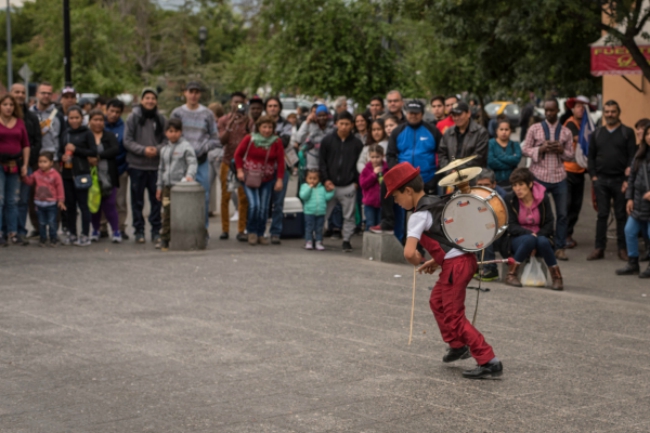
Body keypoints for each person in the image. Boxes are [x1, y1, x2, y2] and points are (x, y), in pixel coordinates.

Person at [385, 162, 502, 379]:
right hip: (462, 260)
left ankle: (488, 359)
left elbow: (409, 253)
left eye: (395, 196)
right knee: (437, 301)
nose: (396, 201)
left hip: (455, 267)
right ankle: (457, 345)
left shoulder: (418, 216)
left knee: (455, 316)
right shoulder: (437, 202)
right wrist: (435, 261)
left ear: (408, 191)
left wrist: (416, 258)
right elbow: (447, 239)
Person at [372, 101, 442, 240]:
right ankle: (387, 222)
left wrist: (436, 177)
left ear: (422, 114)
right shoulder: (398, 131)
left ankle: (423, 248)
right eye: (410, 113)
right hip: (404, 179)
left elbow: (442, 153)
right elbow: (391, 155)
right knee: (385, 184)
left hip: (427, 178)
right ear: (406, 113)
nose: (413, 116)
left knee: (423, 218)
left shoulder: (432, 130)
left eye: (416, 113)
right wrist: (397, 173)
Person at [521, 98, 573, 261]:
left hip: (559, 176)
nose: (549, 113)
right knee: (540, 213)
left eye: (552, 110)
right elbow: (524, 149)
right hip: (539, 175)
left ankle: (560, 247)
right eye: (546, 110)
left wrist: (560, 150)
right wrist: (541, 149)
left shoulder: (565, 132)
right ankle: (541, 244)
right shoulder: (535, 129)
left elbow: (571, 155)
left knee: (563, 213)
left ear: (558, 111)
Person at [587, 100, 637, 261]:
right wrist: (594, 176)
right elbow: (591, 157)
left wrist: (627, 180)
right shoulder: (597, 134)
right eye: (607, 111)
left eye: (613, 112)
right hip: (601, 180)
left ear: (618, 113)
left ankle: (622, 249)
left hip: (620, 182)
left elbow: (632, 157)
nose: (609, 114)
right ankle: (599, 248)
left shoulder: (627, 133)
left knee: (621, 215)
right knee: (602, 215)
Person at [170, 82, 220, 234]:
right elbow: (171, 135)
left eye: (197, 92)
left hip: (201, 161)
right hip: (181, 161)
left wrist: (202, 148)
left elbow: (215, 138)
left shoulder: (207, 114)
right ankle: (181, 229)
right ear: (185, 93)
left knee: (203, 196)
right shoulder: (177, 113)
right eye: (190, 92)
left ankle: (202, 229)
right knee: (179, 195)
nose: (193, 95)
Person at [505, 167, 563, 290]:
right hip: (518, 238)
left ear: (530, 184)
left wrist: (537, 236)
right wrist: (531, 235)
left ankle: (557, 277)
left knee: (541, 241)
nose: (517, 189)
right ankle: (511, 274)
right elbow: (511, 226)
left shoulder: (543, 198)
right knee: (529, 240)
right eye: (514, 185)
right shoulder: (510, 199)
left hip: (541, 237)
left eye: (521, 184)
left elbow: (549, 223)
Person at [124, 87, 166, 246]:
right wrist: (142, 150)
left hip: (156, 167)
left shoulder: (161, 119)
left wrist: (158, 150)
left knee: (156, 201)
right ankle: (139, 230)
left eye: (153, 98)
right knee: (137, 201)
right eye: (147, 98)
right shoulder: (133, 117)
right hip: (137, 166)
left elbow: (167, 140)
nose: (150, 101)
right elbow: (127, 140)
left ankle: (156, 230)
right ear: (142, 100)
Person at [234, 115, 285, 245]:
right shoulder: (249, 139)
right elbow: (238, 154)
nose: (267, 130)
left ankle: (261, 233)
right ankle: (251, 231)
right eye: (264, 127)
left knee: (263, 208)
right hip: (249, 178)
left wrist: (279, 179)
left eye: (270, 127)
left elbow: (280, 162)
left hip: (267, 179)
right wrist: (239, 170)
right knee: (254, 205)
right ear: (258, 127)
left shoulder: (276, 142)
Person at [319, 111, 364, 252]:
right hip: (330, 185)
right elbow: (322, 162)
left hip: (348, 185)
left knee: (348, 215)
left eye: (347, 124)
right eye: (341, 123)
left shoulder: (357, 143)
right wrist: (325, 179)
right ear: (336, 123)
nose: (344, 127)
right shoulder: (327, 140)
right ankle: (317, 238)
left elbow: (360, 163)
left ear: (351, 125)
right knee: (323, 212)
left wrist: (356, 182)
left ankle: (346, 240)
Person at [155, 118, 198, 252]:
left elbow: (192, 162)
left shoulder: (186, 147)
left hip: (181, 188)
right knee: (166, 212)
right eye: (170, 131)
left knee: (183, 213)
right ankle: (165, 239)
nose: (173, 134)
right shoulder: (164, 149)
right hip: (167, 188)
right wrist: (159, 187)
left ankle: (187, 238)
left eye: (176, 131)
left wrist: (189, 175)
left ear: (181, 132)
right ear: (165, 132)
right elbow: (161, 169)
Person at [59, 106, 97, 247]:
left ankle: (85, 234)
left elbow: (93, 151)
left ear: (82, 118)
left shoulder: (87, 133)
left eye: (77, 117)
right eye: (71, 118)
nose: (74, 120)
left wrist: (77, 150)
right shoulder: (65, 133)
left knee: (83, 205)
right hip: (67, 173)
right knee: (70, 205)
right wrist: (61, 156)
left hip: (82, 173)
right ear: (67, 119)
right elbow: (58, 151)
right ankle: (72, 233)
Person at [217, 92, 252, 241]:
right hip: (227, 162)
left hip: (243, 164)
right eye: (235, 102)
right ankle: (225, 230)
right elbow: (222, 141)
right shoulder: (223, 120)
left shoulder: (249, 121)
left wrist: (246, 123)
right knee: (225, 197)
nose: (237, 106)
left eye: (240, 103)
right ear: (230, 104)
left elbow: (252, 139)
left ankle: (241, 230)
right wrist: (230, 125)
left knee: (243, 198)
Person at [10, 83, 42, 245]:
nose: (20, 95)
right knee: (7, 200)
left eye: (23, 92)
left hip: (26, 164)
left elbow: (37, 141)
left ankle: (20, 231)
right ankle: (7, 231)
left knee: (23, 200)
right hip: (7, 164)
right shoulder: (4, 115)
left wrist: (28, 160)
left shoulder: (31, 117)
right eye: (17, 92)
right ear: (10, 93)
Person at [617, 125, 650, 277]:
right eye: (648, 134)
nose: (649, 136)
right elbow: (631, 179)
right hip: (638, 202)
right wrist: (629, 198)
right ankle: (633, 263)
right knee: (629, 231)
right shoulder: (640, 154)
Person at [0, 95, 30, 246]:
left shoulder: (19, 123)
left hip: (15, 164)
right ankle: (0, 233)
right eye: (5, 104)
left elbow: (25, 145)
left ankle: (13, 233)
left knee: (12, 200)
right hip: (0, 163)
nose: (8, 107)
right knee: (0, 199)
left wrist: (25, 165)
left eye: (11, 105)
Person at [87, 109, 121, 243]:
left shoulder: (109, 136)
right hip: (91, 177)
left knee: (110, 204)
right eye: (95, 119)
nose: (98, 122)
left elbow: (115, 150)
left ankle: (116, 231)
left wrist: (98, 157)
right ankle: (95, 230)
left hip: (108, 176)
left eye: (101, 120)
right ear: (89, 121)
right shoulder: (86, 135)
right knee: (94, 205)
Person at [563, 96, 592, 249]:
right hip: (567, 171)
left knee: (576, 206)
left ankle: (568, 234)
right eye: (578, 106)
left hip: (580, 171)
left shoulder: (587, 125)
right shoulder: (569, 124)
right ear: (572, 109)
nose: (581, 109)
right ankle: (563, 235)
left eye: (583, 107)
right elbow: (579, 139)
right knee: (566, 205)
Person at [265, 96, 293, 244]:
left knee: (278, 203)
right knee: (264, 202)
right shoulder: (260, 123)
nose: (272, 108)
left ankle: (275, 232)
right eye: (270, 106)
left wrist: (267, 137)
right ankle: (260, 232)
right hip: (263, 169)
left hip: (281, 168)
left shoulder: (286, 124)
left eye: (275, 106)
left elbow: (284, 141)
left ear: (279, 108)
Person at [20, 152, 65, 246]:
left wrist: (60, 201)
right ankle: (43, 239)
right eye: (40, 162)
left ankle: (53, 238)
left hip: (51, 204)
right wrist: (24, 176)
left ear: (51, 163)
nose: (42, 164)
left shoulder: (55, 175)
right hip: (39, 203)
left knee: (52, 222)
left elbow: (59, 188)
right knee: (41, 222)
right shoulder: (36, 174)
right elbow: (29, 181)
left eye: (45, 162)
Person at [473, 168, 507, 281]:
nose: (483, 188)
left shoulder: (502, 197)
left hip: (502, 232)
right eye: (480, 185)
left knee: (485, 231)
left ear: (494, 184)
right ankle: (473, 266)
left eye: (486, 185)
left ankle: (491, 269)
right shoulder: (473, 193)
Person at [104, 98, 129, 240]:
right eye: (111, 111)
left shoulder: (124, 128)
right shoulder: (100, 125)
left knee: (120, 201)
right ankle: (102, 227)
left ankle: (120, 227)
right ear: (106, 110)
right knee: (102, 199)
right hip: (103, 168)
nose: (114, 114)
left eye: (117, 112)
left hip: (120, 168)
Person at [439, 101, 489, 169]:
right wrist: (449, 170)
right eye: (454, 115)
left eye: (459, 115)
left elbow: (478, 157)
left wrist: (459, 170)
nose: (456, 118)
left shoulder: (481, 132)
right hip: (451, 176)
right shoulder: (448, 133)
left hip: (474, 175)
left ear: (468, 113)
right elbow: (442, 154)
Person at [299, 169, 334, 250]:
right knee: (309, 227)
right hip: (309, 212)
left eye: (315, 178)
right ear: (306, 178)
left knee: (319, 228)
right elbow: (303, 196)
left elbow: (326, 197)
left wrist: (332, 191)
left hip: (320, 212)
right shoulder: (304, 187)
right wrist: (309, 188)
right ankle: (309, 241)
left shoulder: (321, 188)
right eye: (310, 178)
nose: (312, 180)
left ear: (319, 179)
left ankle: (319, 242)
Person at [295, 104, 334, 171]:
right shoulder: (308, 124)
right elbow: (299, 139)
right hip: (312, 165)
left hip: (328, 164)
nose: (321, 117)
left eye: (323, 115)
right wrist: (307, 123)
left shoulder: (332, 127)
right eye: (317, 114)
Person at [359, 144, 387, 230]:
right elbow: (363, 184)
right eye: (372, 157)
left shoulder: (386, 168)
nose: (375, 159)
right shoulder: (366, 169)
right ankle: (368, 243)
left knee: (380, 225)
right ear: (369, 157)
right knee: (370, 224)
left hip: (382, 203)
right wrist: (373, 175)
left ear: (382, 156)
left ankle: (378, 243)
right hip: (369, 203)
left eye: (377, 157)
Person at [487, 118, 521, 186]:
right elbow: (491, 162)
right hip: (494, 182)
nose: (504, 132)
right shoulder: (490, 143)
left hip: (511, 182)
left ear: (510, 131)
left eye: (506, 129)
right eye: (501, 129)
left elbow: (516, 159)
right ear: (496, 131)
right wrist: (510, 165)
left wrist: (499, 156)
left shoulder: (515, 145)